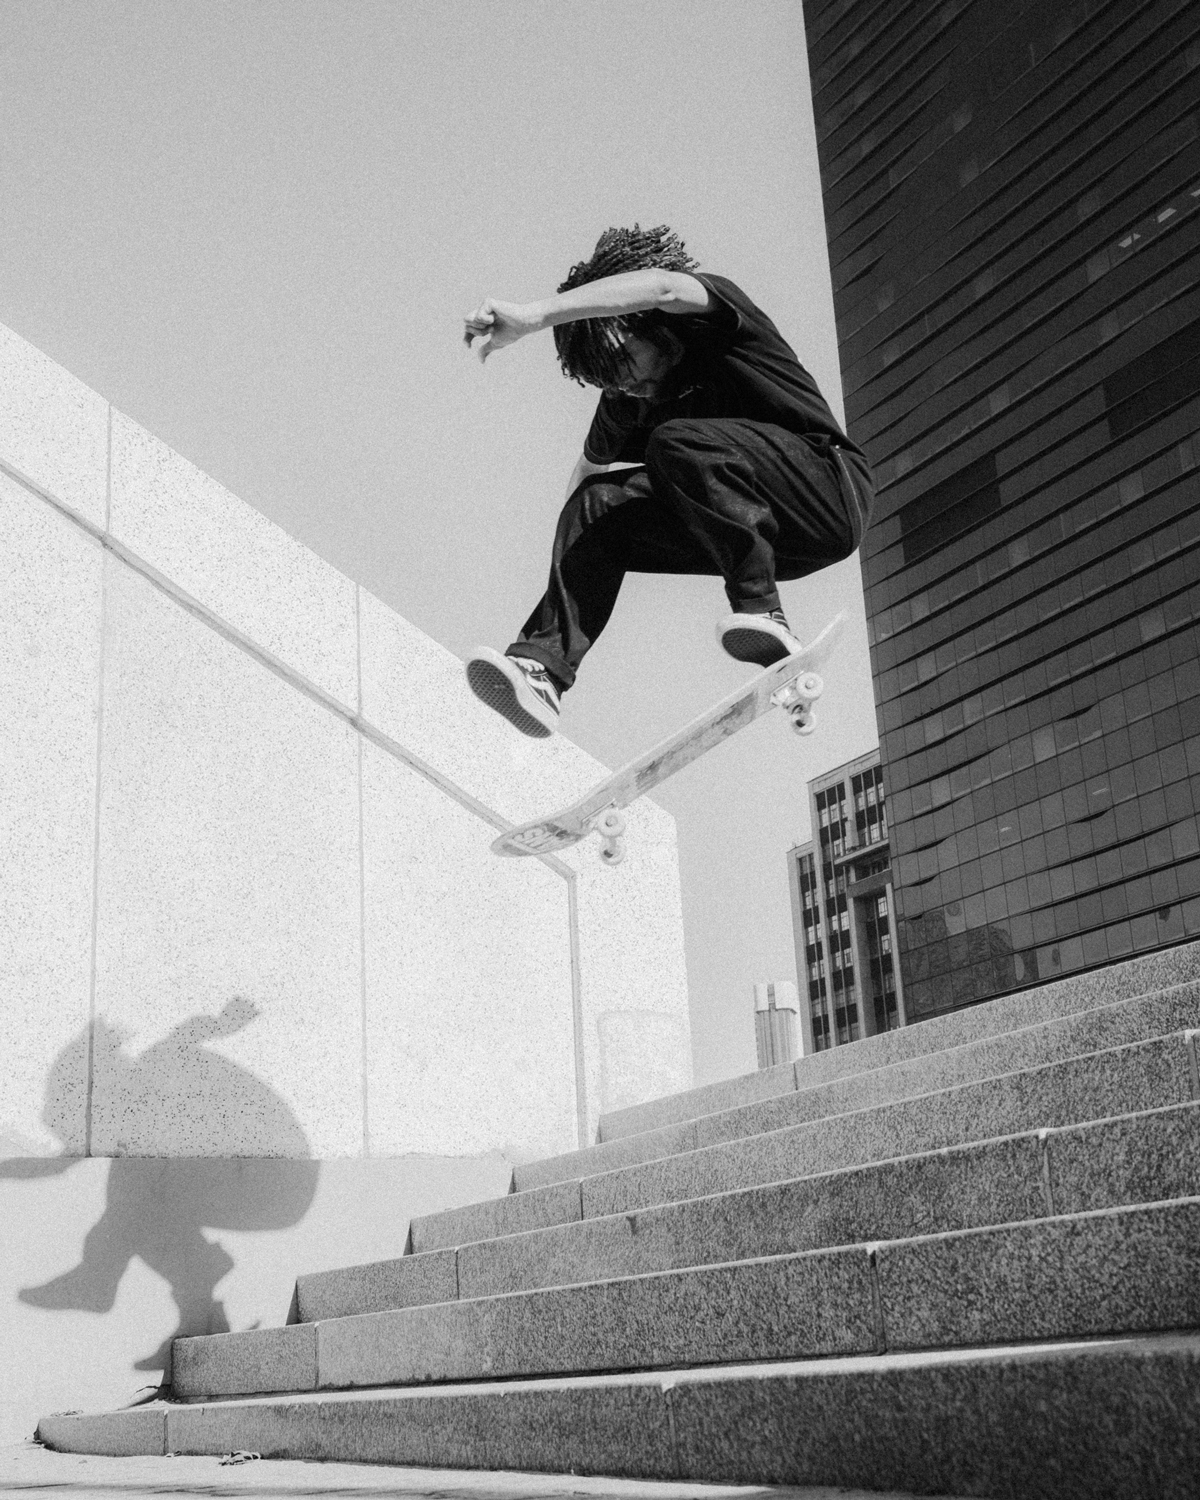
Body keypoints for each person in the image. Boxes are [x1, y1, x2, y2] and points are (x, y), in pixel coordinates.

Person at [462, 224, 873, 738]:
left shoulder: (716, 320)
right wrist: (576, 562)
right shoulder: (626, 400)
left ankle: (762, 612)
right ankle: (542, 671)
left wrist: (535, 317)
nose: (625, 382)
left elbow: (662, 287)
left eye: (623, 360)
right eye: (606, 377)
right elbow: (588, 475)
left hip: (827, 491)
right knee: (597, 503)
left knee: (676, 444)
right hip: (774, 546)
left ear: (645, 323)